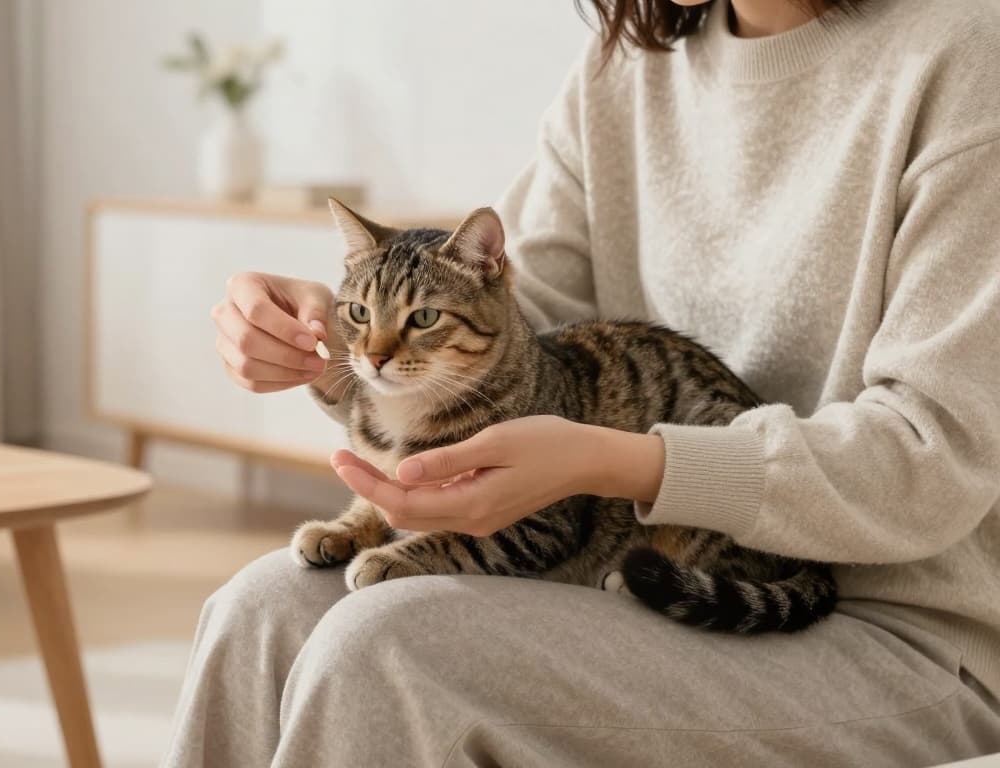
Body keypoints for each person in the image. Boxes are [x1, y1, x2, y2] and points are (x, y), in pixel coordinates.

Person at [167, 0, 1000, 764]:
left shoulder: (964, 55)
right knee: (263, 609)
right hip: (632, 568)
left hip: (902, 628)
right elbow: (510, 347)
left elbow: (934, 459)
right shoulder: (625, 69)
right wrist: (321, 343)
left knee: (383, 648)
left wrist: (622, 462)